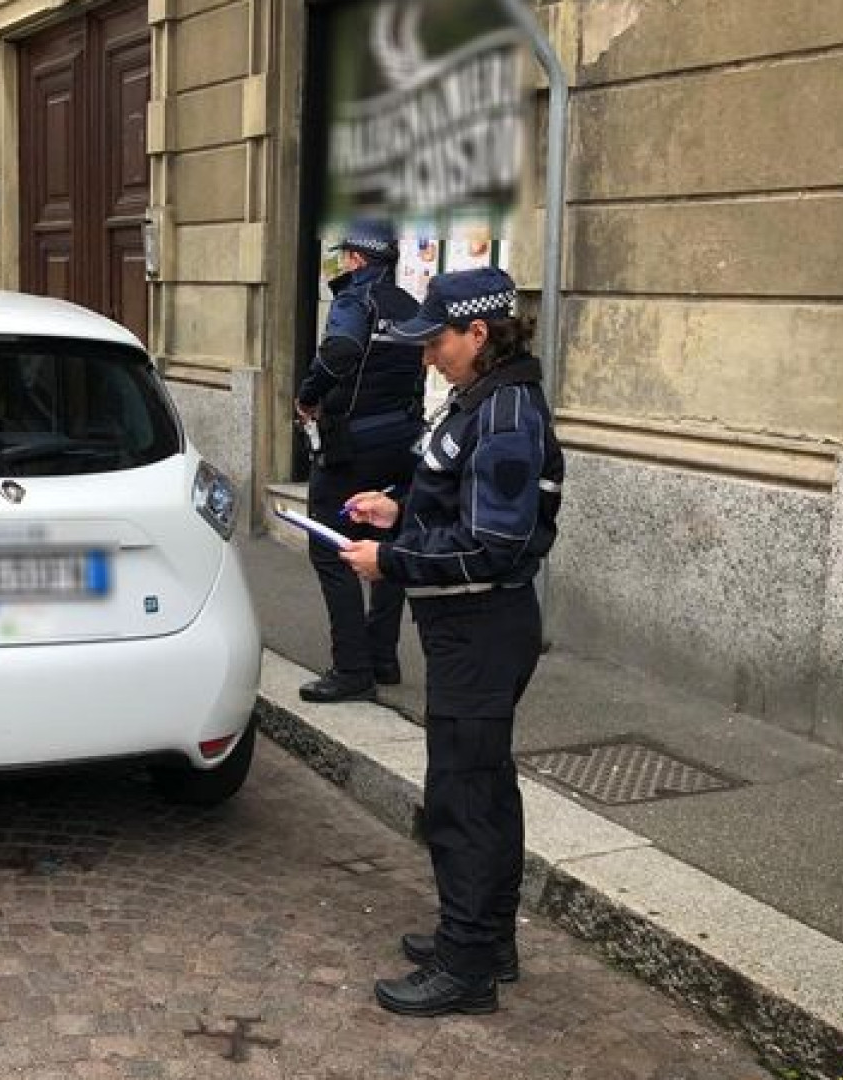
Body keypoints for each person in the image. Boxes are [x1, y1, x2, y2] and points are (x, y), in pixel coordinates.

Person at [337, 268, 564, 1018]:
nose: (428, 355)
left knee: (463, 799)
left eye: (437, 340)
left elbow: (491, 547)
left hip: (482, 628)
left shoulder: (504, 416)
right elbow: (456, 499)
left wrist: (391, 560)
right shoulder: (483, 400)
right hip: (470, 629)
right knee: (484, 788)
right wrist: (397, 510)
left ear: (479, 333)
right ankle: (485, 940)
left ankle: (467, 968)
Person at [295, 221, 426, 703]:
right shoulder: (409, 306)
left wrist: (309, 396)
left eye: (344, 256)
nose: (341, 264)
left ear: (355, 259)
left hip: (353, 447)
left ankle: (352, 669)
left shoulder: (354, 300)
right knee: (387, 541)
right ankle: (382, 656)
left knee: (331, 548)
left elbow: (342, 349)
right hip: (402, 441)